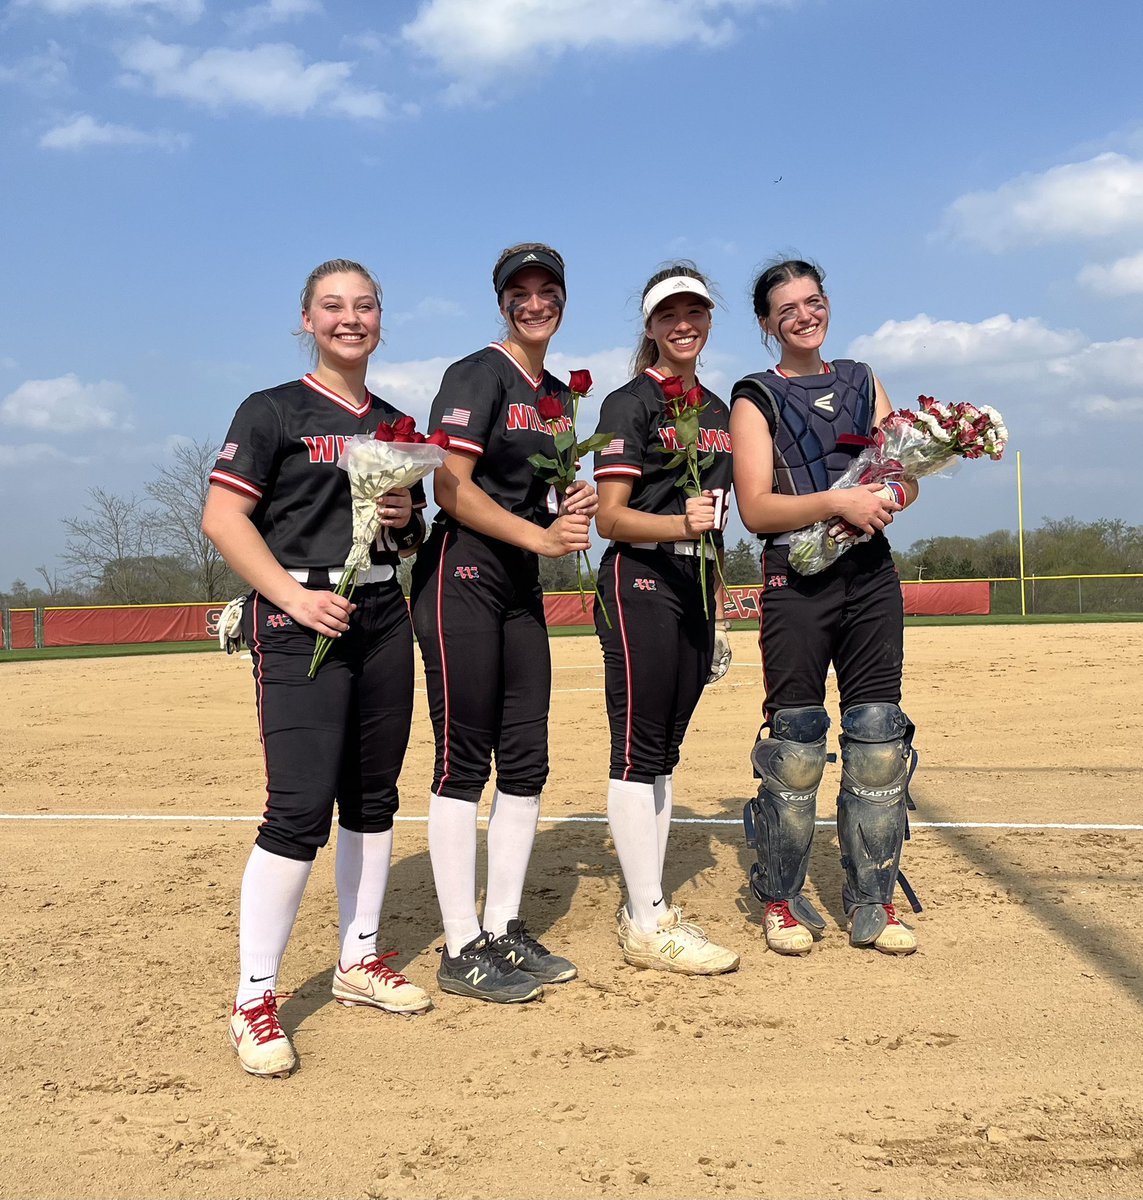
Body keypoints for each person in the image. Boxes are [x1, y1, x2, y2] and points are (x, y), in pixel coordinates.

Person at [202, 258, 432, 1078]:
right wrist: (292, 603)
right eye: (332, 306)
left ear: (380, 319)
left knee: (373, 799)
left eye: (364, 306)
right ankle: (254, 997)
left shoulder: (399, 424)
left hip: (378, 614)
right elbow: (222, 517)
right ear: (306, 319)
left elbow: (408, 543)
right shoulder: (271, 411)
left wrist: (405, 517)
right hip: (300, 617)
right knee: (297, 809)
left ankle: (358, 960)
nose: (349, 319)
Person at [410, 243, 598, 1003]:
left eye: (546, 288)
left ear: (561, 298)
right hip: (461, 576)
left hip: (518, 583)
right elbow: (449, 487)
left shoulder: (554, 392)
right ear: (500, 303)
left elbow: (536, 493)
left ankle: (504, 924)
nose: (533, 301)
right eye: (517, 290)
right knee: (464, 761)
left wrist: (567, 506)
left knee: (525, 761)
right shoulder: (475, 373)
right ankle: (460, 948)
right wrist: (540, 537)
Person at [730, 258, 920, 957]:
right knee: (797, 744)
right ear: (765, 324)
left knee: (876, 740)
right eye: (786, 309)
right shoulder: (754, 395)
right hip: (796, 579)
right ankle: (779, 895)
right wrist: (837, 502)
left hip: (869, 574)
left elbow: (901, 475)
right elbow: (755, 507)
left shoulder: (862, 379)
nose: (803, 315)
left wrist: (889, 498)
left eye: (812, 301)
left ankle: (871, 898)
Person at [591, 263, 739, 975]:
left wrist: (719, 604)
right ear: (649, 326)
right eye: (669, 314)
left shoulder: (716, 409)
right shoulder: (628, 403)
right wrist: (674, 520)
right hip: (639, 577)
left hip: (693, 582)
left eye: (695, 312)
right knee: (636, 745)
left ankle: (646, 907)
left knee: (665, 749)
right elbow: (611, 519)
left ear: (708, 320)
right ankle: (647, 918)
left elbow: (723, 515)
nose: (684, 323)